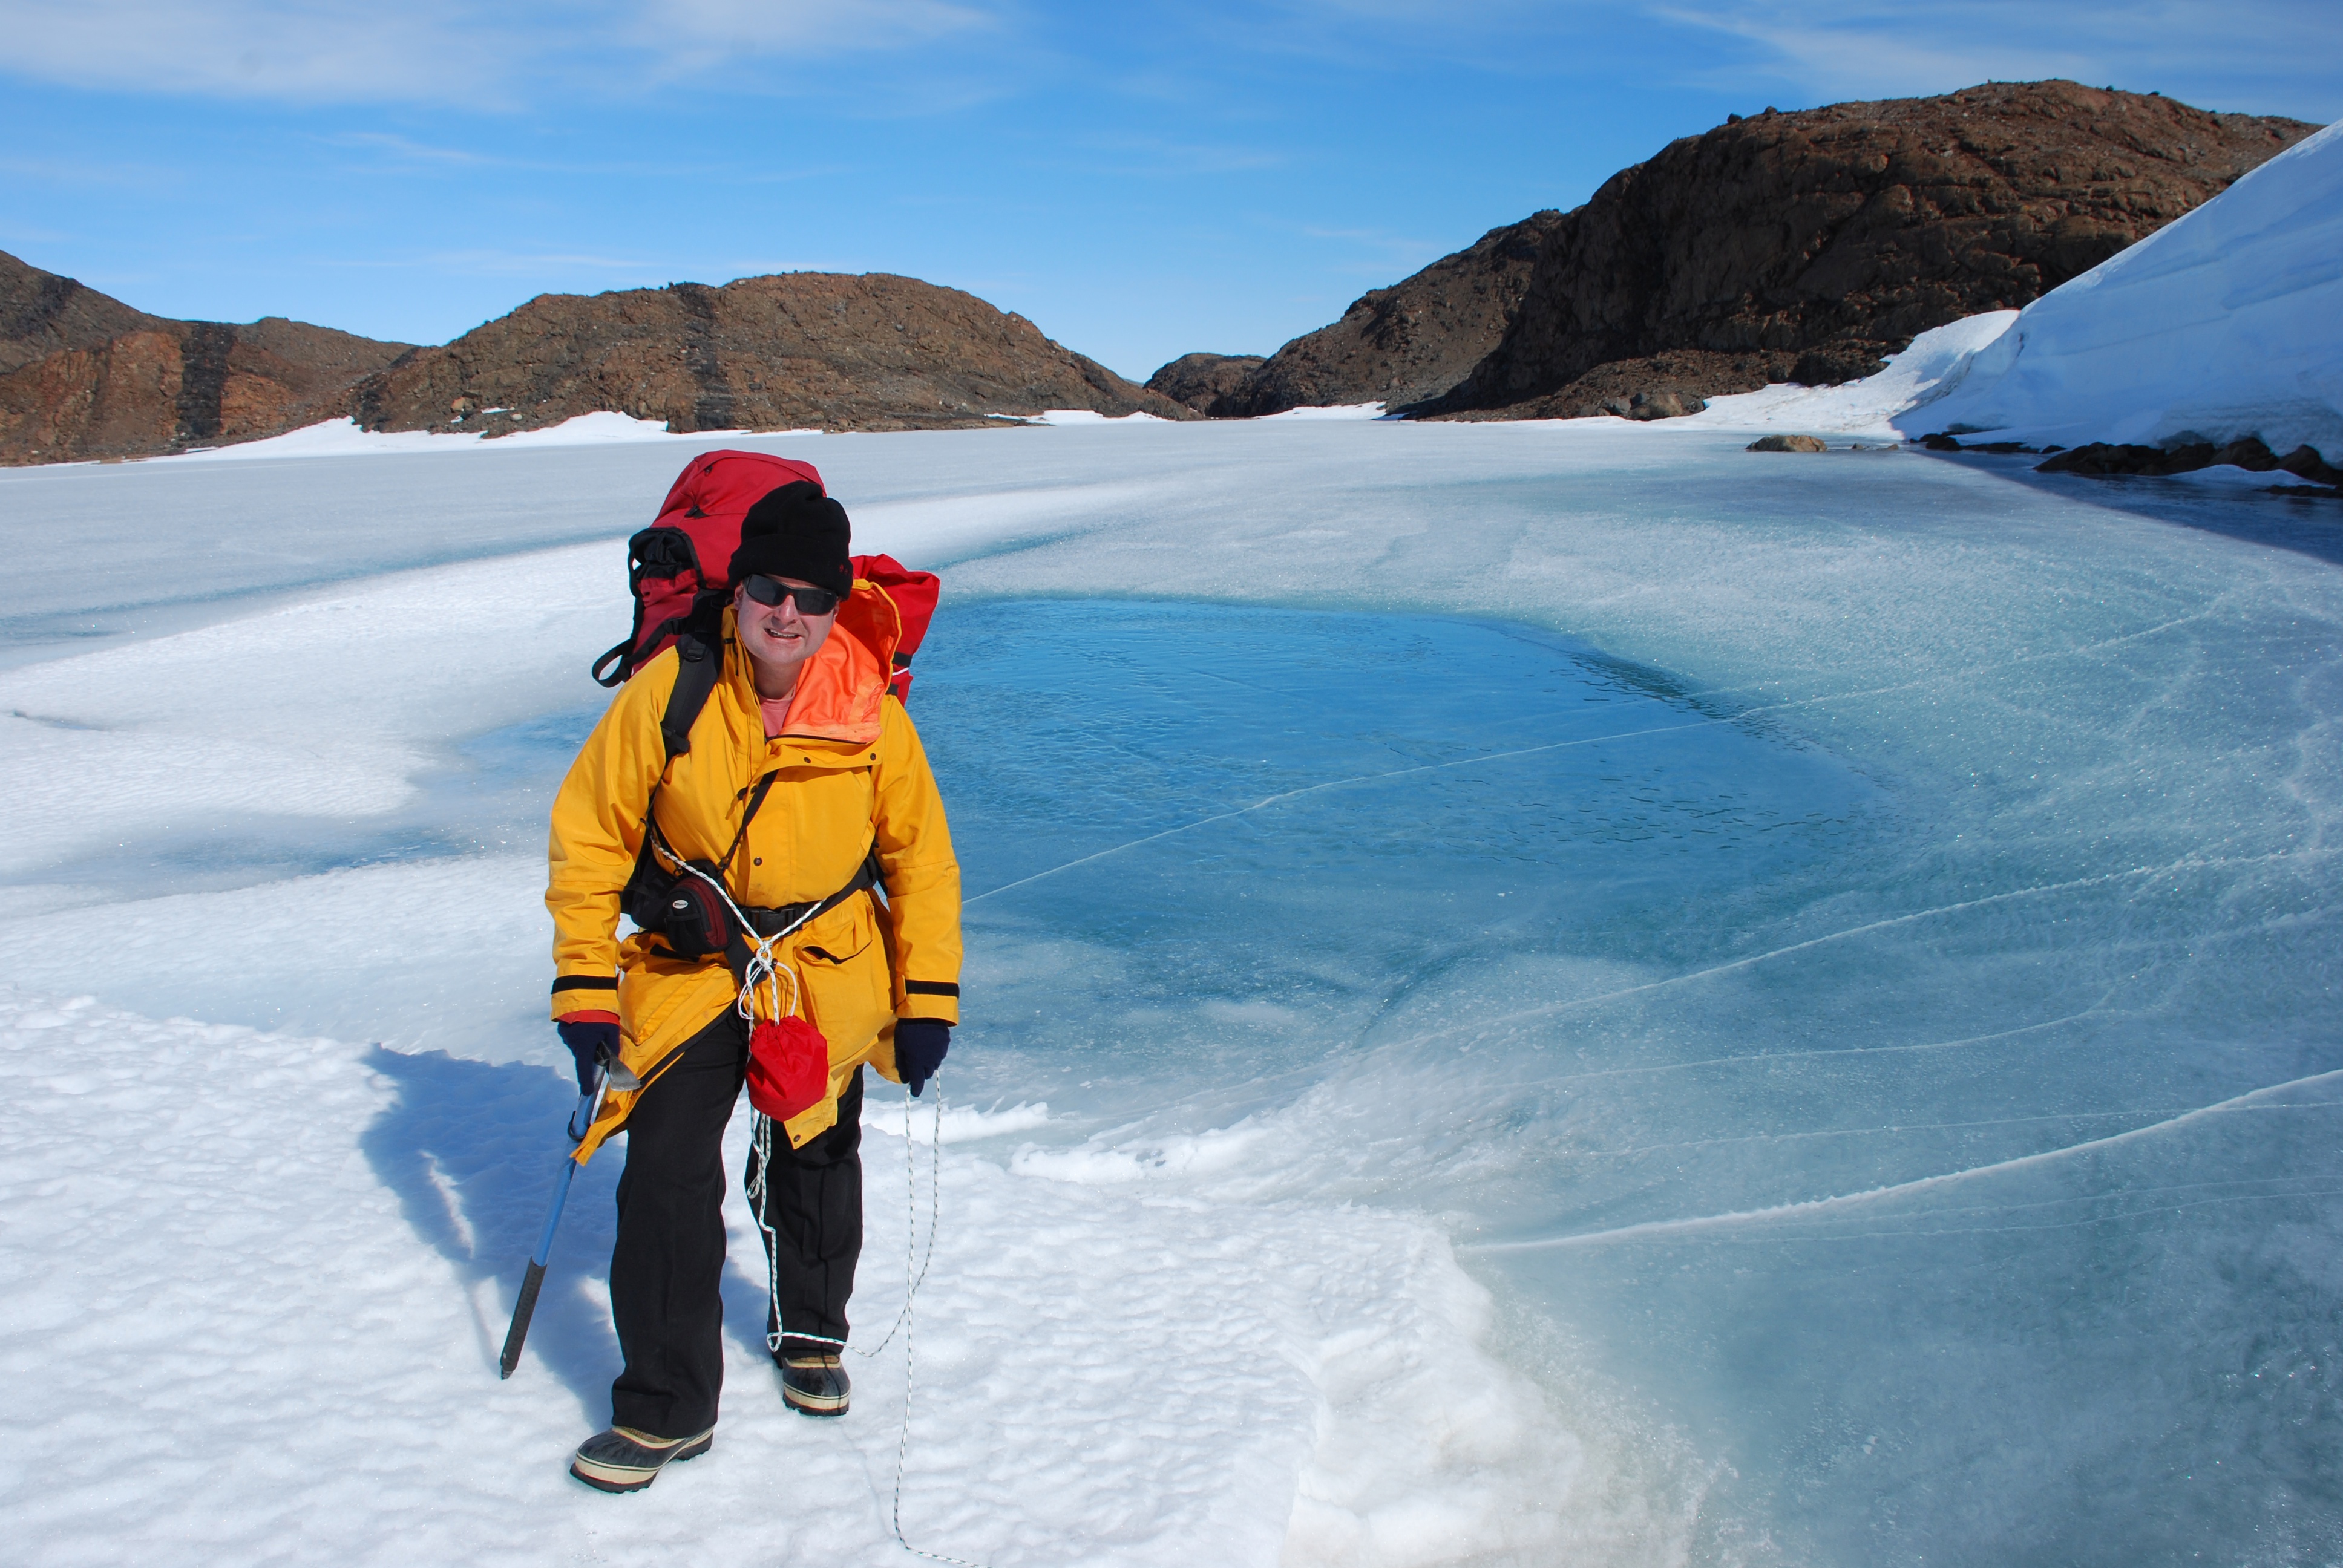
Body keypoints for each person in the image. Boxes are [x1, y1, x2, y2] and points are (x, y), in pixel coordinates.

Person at [542, 480, 963, 1494]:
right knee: (667, 1170)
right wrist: (585, 988)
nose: (789, 614)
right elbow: (592, 833)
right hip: (696, 966)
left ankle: (813, 1334)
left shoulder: (873, 714)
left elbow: (921, 861)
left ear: (836, 604)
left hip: (823, 968)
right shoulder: (674, 690)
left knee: (817, 1150)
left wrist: (928, 1000)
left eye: (813, 599)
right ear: (738, 590)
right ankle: (667, 1406)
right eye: (770, 588)